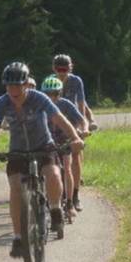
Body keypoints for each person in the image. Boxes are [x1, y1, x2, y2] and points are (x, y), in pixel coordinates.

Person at [0, 62, 84, 258]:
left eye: (17, 85)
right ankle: (19, 237)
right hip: (18, 150)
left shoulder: (39, 98)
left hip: (43, 145)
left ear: (26, 84)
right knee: (16, 189)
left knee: (54, 173)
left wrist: (75, 137)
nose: (13, 90)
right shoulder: (2, 102)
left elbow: (59, 119)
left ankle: (55, 210)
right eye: (9, 86)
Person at [40, 76, 88, 221]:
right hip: (46, 141)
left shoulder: (66, 104)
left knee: (67, 168)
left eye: (54, 93)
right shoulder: (39, 104)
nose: (51, 97)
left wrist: (84, 129)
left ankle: (69, 203)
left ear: (59, 93)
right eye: (47, 94)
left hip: (63, 140)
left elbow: (81, 119)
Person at [53, 54, 94, 212]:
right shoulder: (51, 81)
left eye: (65, 69)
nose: (62, 72)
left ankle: (75, 196)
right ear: (54, 68)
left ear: (71, 67)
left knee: (75, 156)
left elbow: (81, 103)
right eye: (59, 69)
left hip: (73, 118)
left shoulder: (76, 81)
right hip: (56, 121)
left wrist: (83, 127)